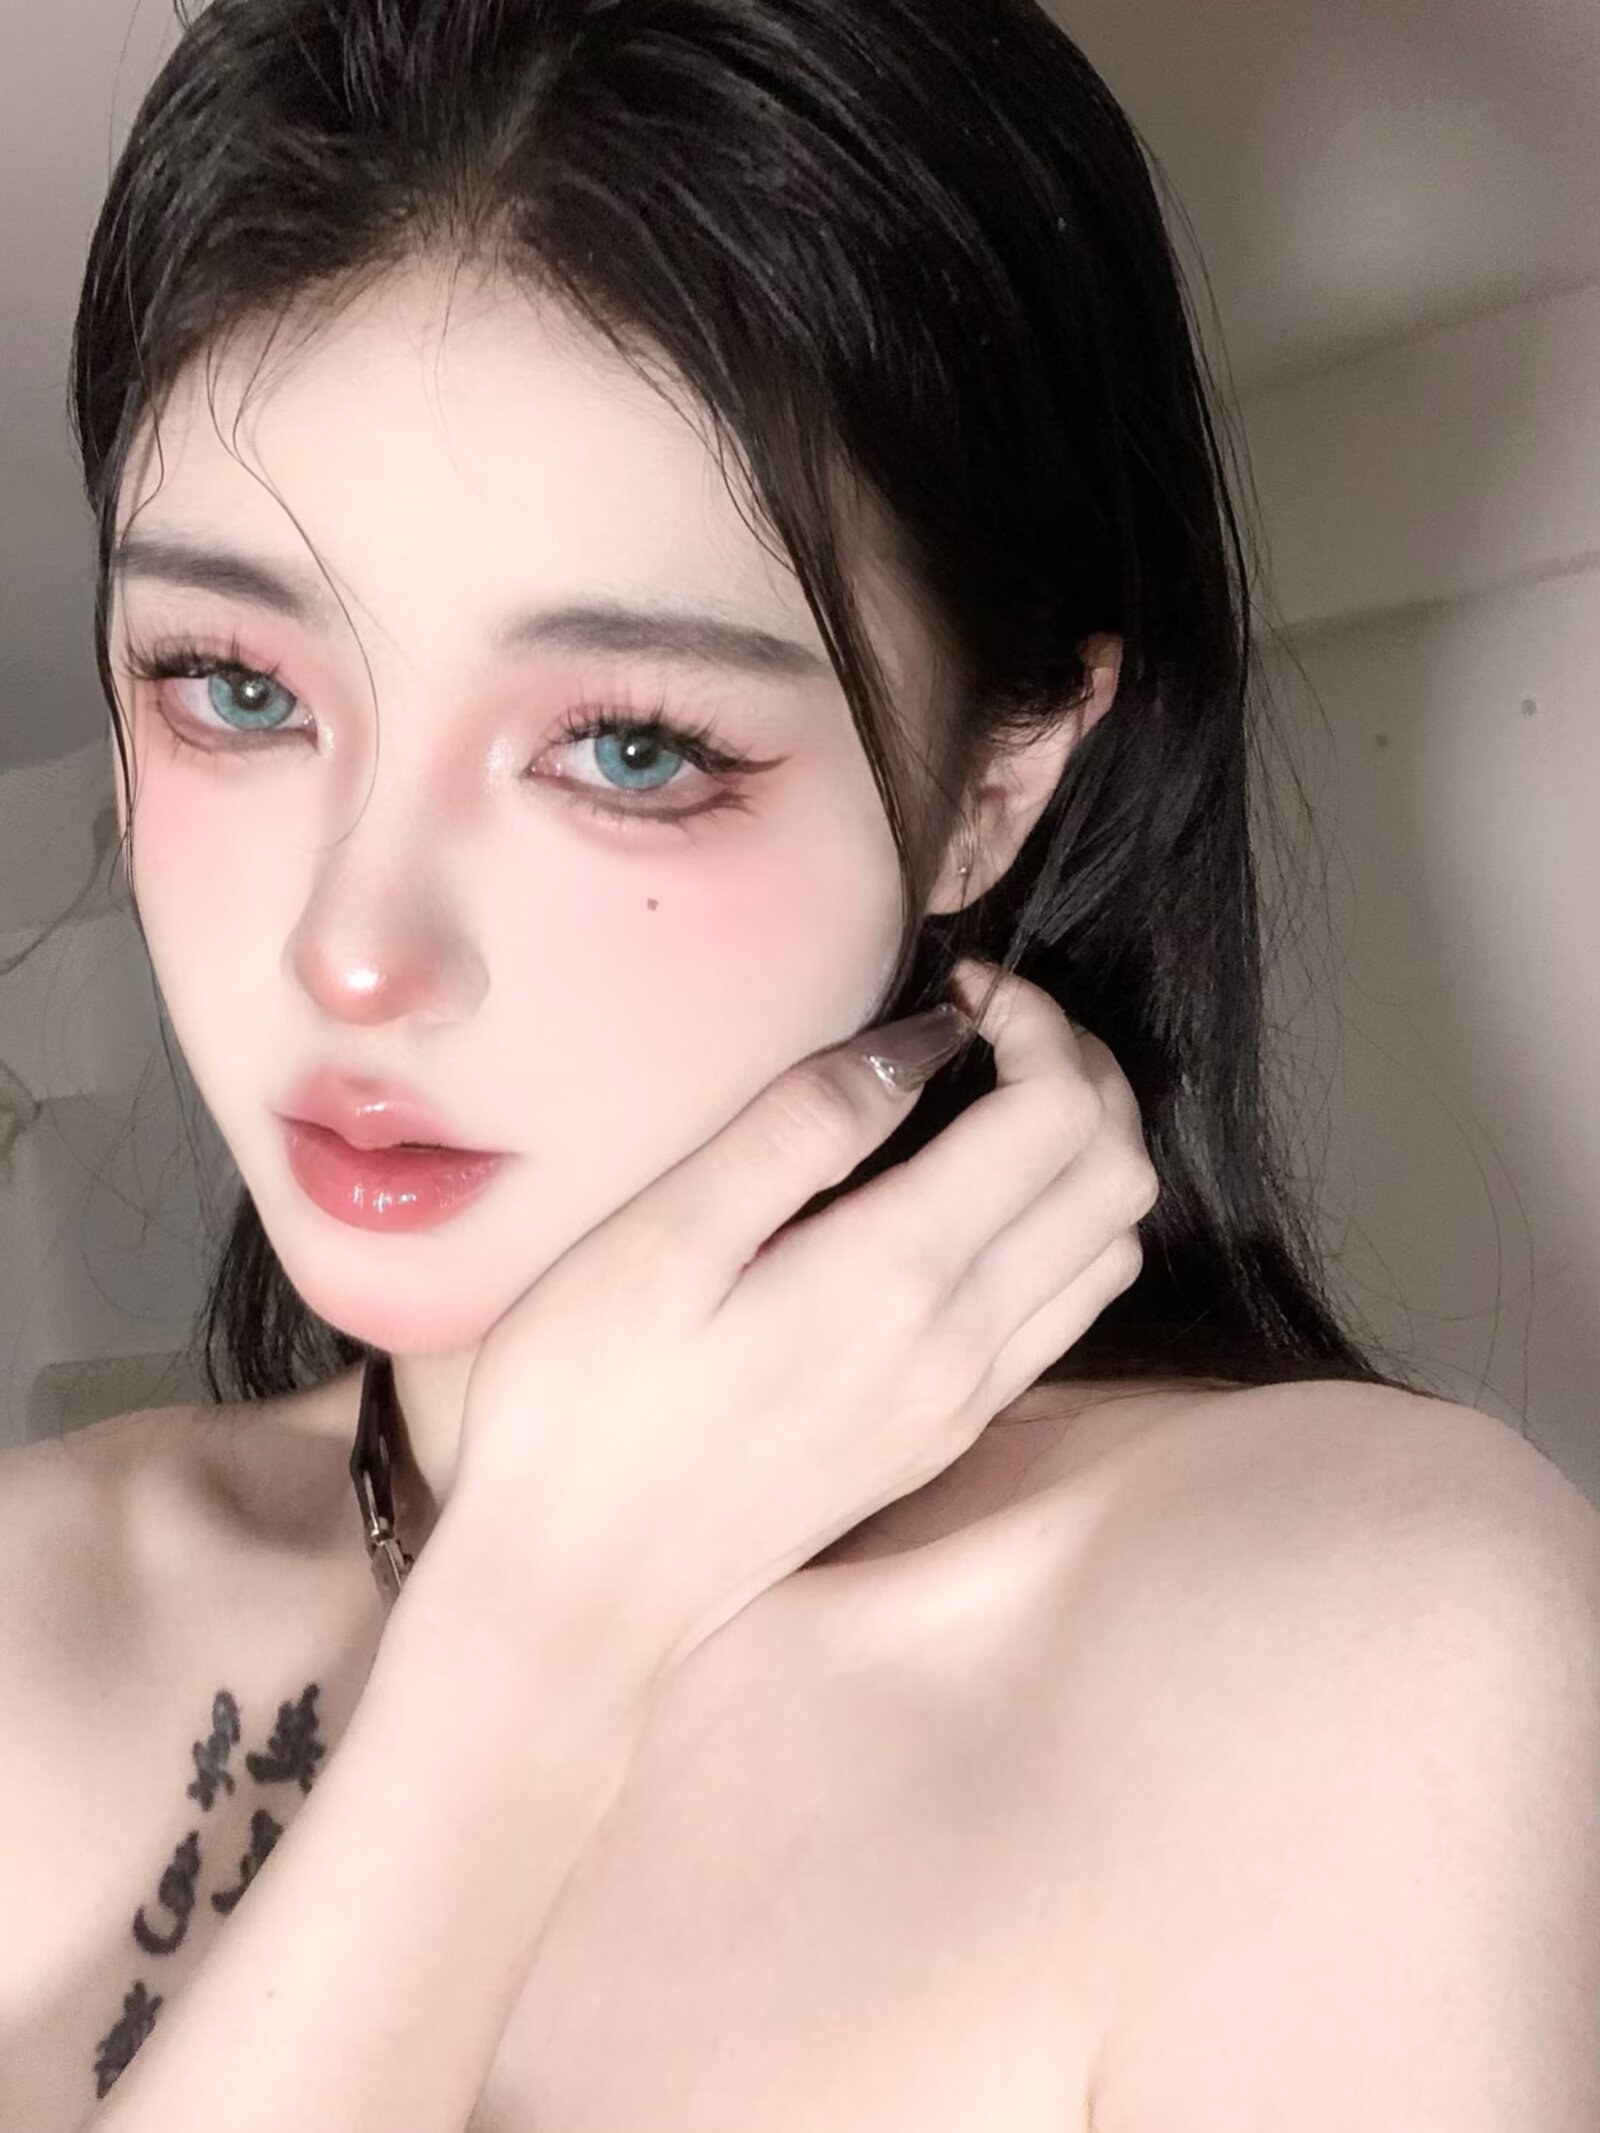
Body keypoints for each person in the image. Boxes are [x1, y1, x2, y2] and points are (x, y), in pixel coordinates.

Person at [1, 0, 1594, 2127]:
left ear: (991, 789)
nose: (353, 950)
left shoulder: (1346, 1642)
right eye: (233, 685)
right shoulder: (34, 1610)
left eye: (627, 745)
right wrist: (525, 1649)